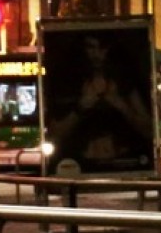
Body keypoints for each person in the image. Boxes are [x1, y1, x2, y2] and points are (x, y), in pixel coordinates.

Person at [48, 33, 153, 168]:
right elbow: (55, 133)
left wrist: (120, 104)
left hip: (123, 162)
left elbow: (148, 129)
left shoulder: (124, 81)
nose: (97, 54)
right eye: (91, 47)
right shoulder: (69, 82)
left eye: (102, 48)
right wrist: (82, 106)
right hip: (78, 162)